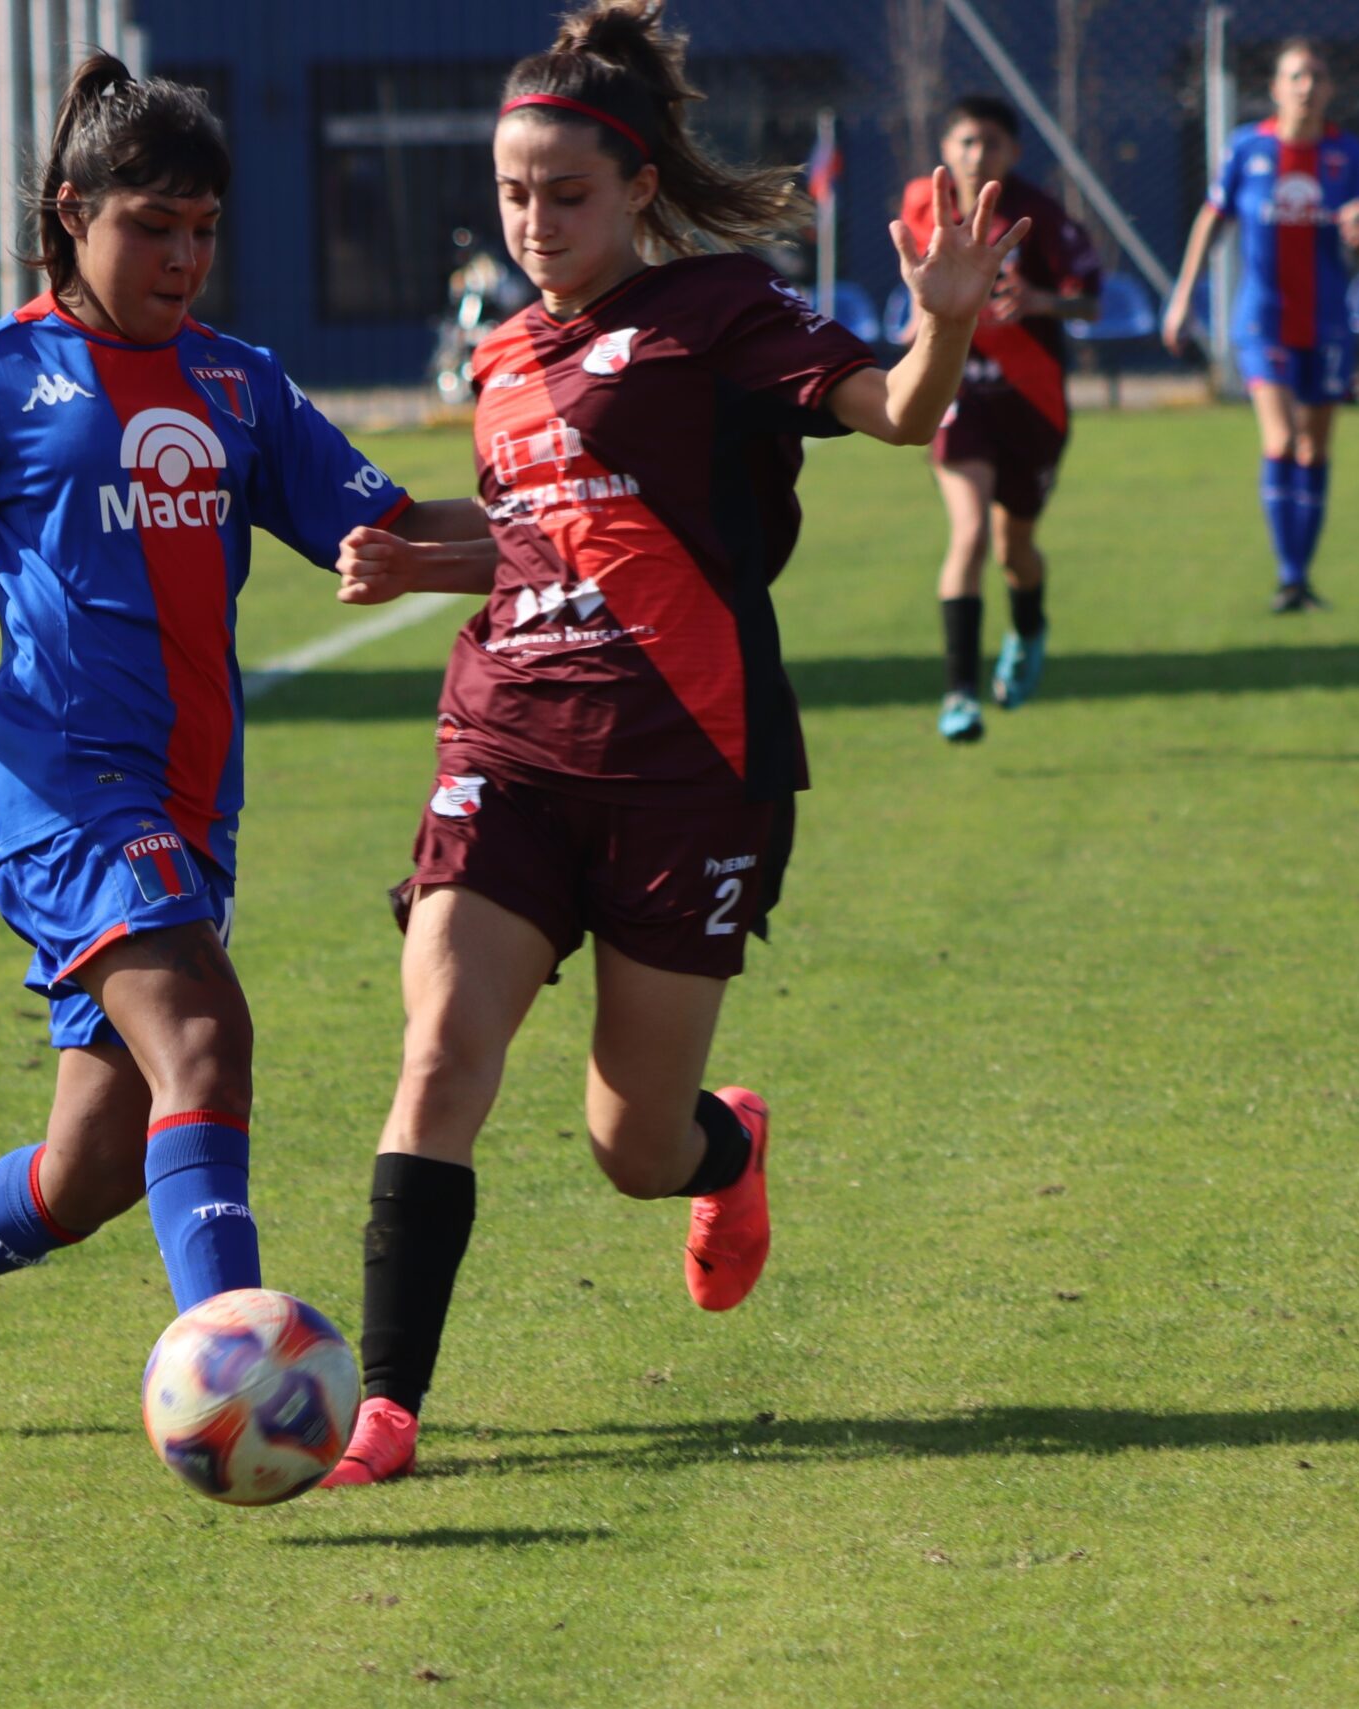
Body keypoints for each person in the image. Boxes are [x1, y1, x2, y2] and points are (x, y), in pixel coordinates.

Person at [0, 56, 491, 1436]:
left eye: (203, 230)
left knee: (96, 1163)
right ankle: (238, 1385)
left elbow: (403, 524)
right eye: (152, 226)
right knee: (207, 1039)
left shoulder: (239, 384)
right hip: (65, 787)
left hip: (192, 804)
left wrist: (570, 537)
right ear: (72, 212)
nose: (184, 258)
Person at [314, 0, 1028, 1488]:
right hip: (506, 742)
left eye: (564, 195)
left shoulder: (723, 315)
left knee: (633, 1146)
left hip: (687, 770)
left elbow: (900, 412)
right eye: (512, 195)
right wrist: (413, 553)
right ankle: (384, 1409)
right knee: (441, 1048)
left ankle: (728, 1149)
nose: (534, 222)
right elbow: (542, 537)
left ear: (638, 188)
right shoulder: (504, 351)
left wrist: (947, 318)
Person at [899, 96, 1099, 742]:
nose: (975, 154)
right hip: (958, 392)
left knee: (1016, 548)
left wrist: (1040, 299)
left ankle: (1030, 626)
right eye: (963, 141)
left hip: (1033, 402)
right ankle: (960, 693)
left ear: (1012, 153)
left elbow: (1090, 299)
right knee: (970, 533)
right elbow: (919, 285)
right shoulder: (923, 204)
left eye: (989, 142)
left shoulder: (1036, 214)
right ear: (946, 147)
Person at [1164, 38, 1359, 613]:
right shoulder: (1247, 149)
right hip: (1263, 320)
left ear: (1329, 89)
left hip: (1328, 320)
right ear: (1276, 88)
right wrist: (1182, 297)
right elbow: (1212, 219)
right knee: (1281, 440)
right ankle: (1288, 577)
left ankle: (1300, 578)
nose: (1306, 86)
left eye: (1316, 75)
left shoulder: (1348, 154)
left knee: (1315, 450)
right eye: (1295, 76)